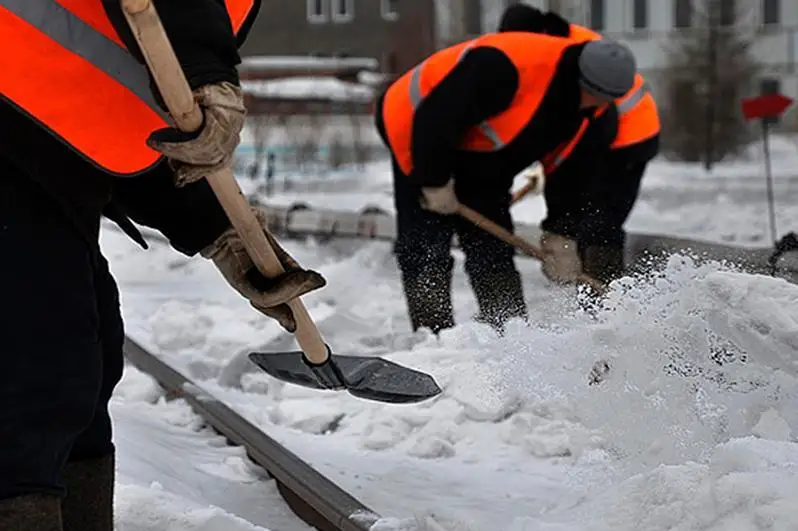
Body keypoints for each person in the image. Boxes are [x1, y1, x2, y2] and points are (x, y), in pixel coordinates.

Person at [0, 1, 327, 529]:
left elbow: (96, 108)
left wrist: (219, 231)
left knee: (85, 350)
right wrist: (205, 69)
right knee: (32, 363)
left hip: (28, 134)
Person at [373, 31, 637, 334]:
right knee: (426, 242)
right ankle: (433, 335)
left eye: (607, 100)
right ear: (579, 79)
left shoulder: (596, 115)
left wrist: (561, 236)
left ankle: (508, 332)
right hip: (415, 127)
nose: (599, 105)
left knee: (492, 244)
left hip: (483, 152)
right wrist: (433, 180)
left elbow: (572, 175)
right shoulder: (502, 68)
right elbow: (437, 117)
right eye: (595, 95)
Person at [498, 4, 661, 285]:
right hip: (612, 134)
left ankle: (603, 295)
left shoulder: (564, 51)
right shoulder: (563, 41)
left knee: (601, 221)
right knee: (588, 217)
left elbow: (568, 119)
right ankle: (590, 288)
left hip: (626, 139)